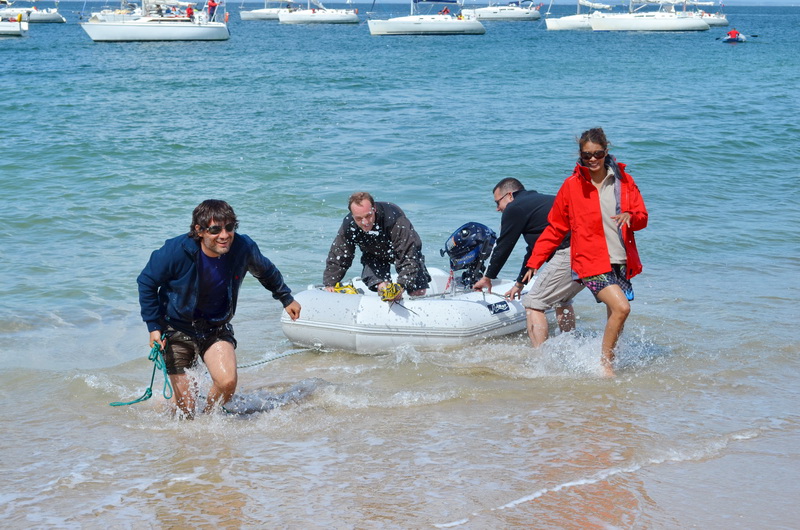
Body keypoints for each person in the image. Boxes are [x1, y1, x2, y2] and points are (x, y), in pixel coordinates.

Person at [137, 199, 301, 418]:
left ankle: (208, 417)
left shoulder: (243, 247)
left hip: (216, 326)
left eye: (229, 228)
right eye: (215, 230)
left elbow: (266, 272)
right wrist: (153, 326)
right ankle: (171, 407)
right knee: (186, 409)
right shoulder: (176, 250)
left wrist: (286, 298)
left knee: (227, 382)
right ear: (199, 230)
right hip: (176, 327)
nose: (224, 235)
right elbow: (146, 281)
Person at [523, 128, 648, 377]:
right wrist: (535, 261)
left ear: (606, 151)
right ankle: (605, 365)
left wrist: (631, 216)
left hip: (619, 259)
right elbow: (556, 228)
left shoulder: (624, 181)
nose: (592, 159)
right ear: (580, 155)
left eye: (597, 154)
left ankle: (611, 357)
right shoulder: (572, 186)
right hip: (589, 260)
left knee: (615, 313)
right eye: (586, 155)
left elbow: (642, 217)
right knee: (622, 308)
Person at [472, 178, 584, 348]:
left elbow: (504, 245)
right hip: (589, 250)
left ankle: (541, 357)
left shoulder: (514, 208)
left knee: (533, 303)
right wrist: (519, 284)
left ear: (510, 195)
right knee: (562, 299)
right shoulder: (537, 204)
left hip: (570, 252)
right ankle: (572, 345)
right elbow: (534, 251)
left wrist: (488, 277)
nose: (497, 208)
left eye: (497, 202)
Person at [323, 192, 431, 301]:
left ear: (374, 208)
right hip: (374, 254)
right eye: (359, 218)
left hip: (405, 251)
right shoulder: (349, 224)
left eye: (368, 216)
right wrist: (330, 283)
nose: (365, 222)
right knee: (383, 287)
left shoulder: (395, 219)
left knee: (417, 291)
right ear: (352, 215)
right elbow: (340, 254)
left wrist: (401, 286)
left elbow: (409, 254)